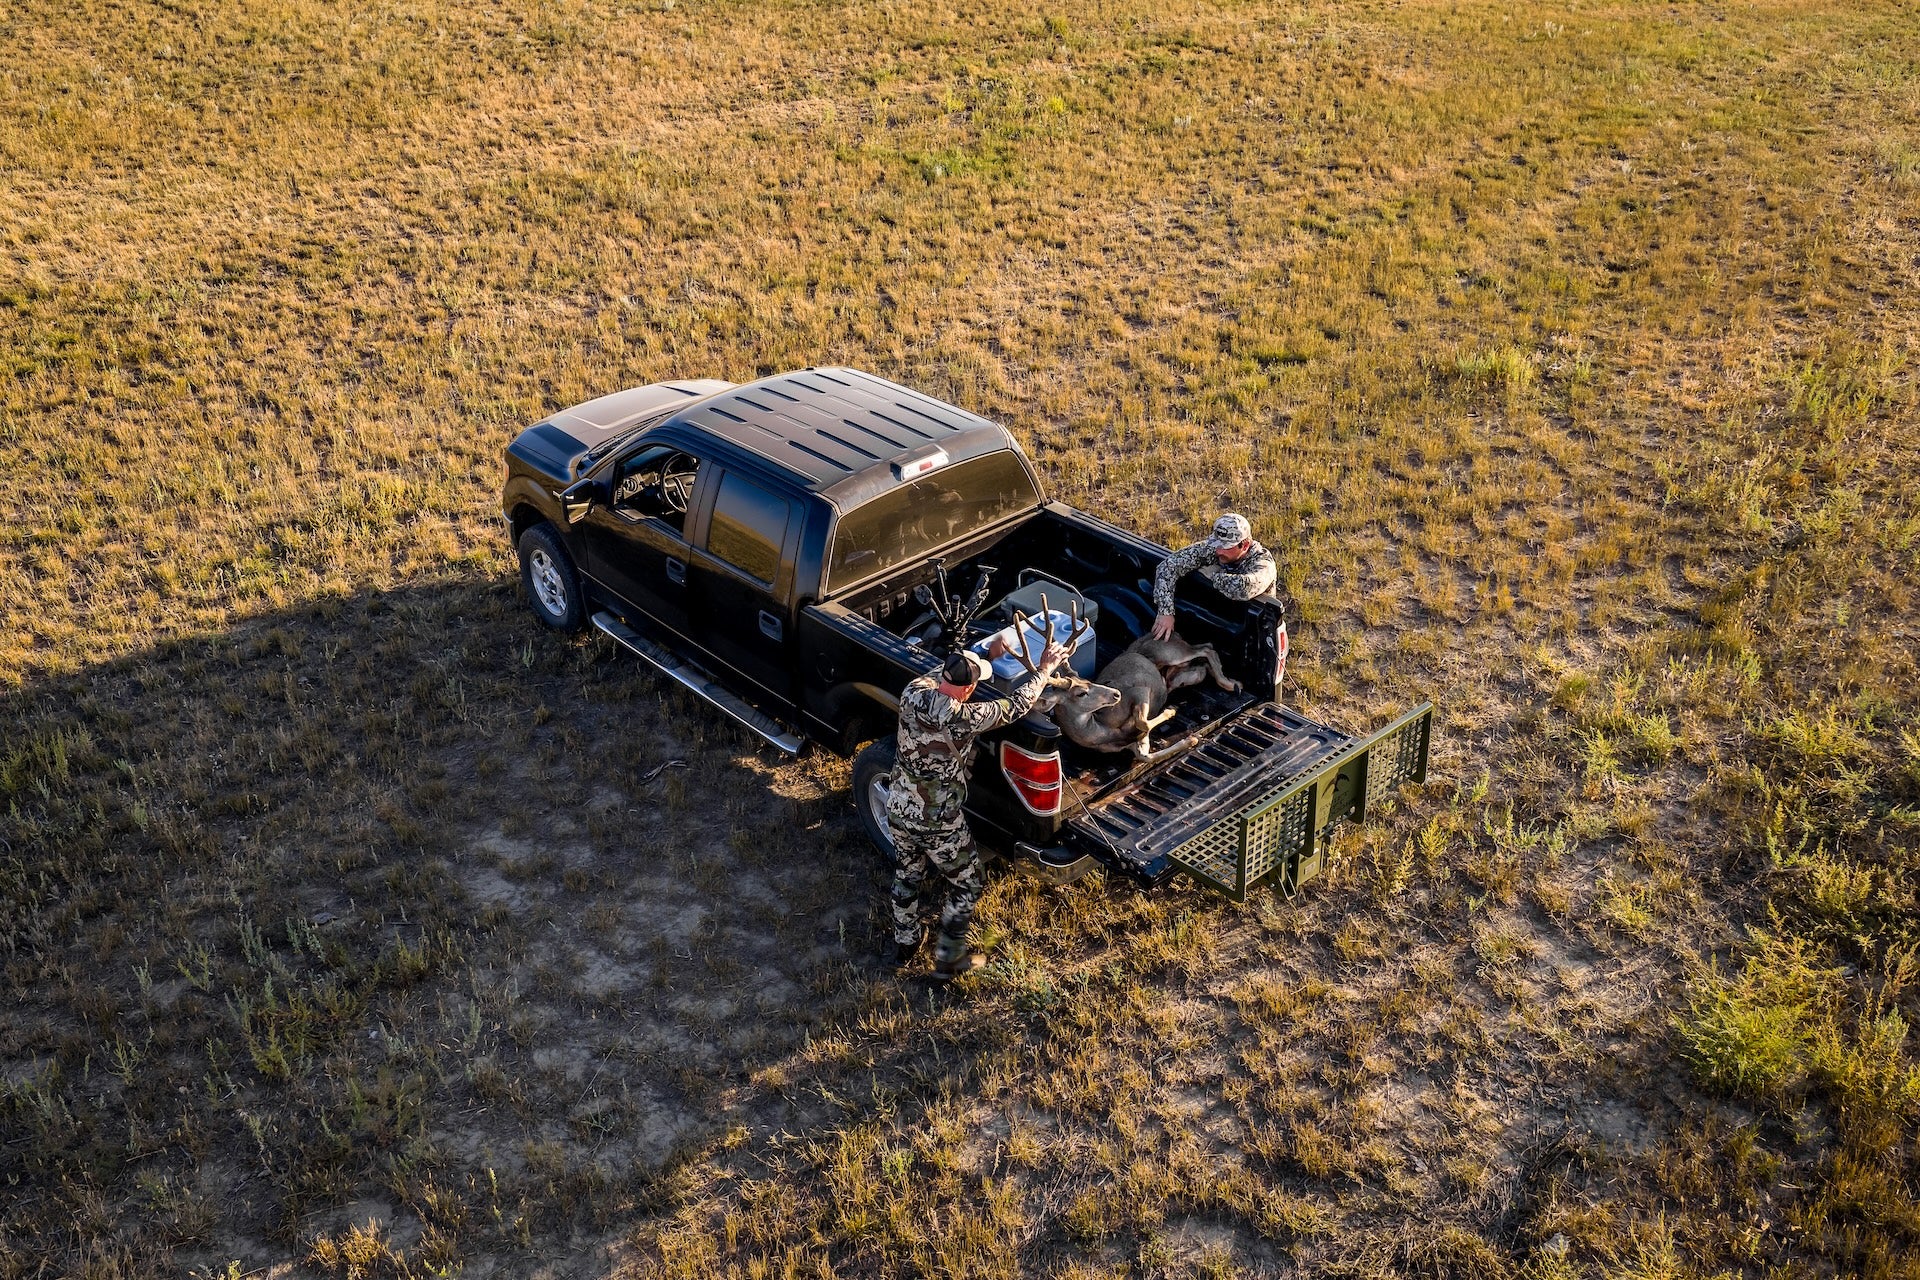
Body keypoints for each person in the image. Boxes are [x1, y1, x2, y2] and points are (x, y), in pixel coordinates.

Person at [888, 640, 1071, 977]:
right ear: (970, 688)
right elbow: (1017, 705)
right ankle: (949, 958)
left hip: (898, 806)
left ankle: (905, 945)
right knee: (969, 883)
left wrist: (985, 654)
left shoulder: (913, 691)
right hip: (937, 821)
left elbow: (944, 674)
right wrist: (1045, 670)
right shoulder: (965, 717)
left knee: (907, 873)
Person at [1150, 512, 1277, 640]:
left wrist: (1212, 575)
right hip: (1220, 622)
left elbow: (1244, 588)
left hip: (1255, 634)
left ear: (1245, 546)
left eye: (1226, 546)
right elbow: (1168, 566)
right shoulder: (1214, 548)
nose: (1218, 551)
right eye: (1217, 544)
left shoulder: (1263, 565)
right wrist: (1165, 612)